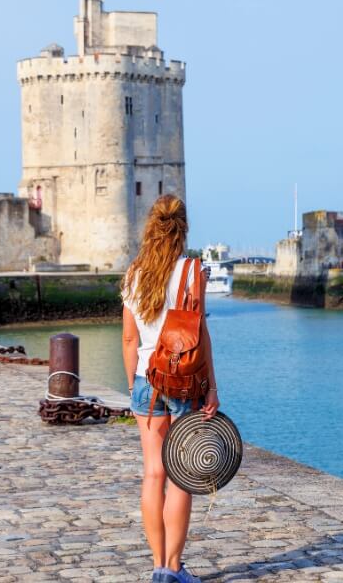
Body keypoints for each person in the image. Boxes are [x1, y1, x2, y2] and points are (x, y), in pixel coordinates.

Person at [121, 195, 219, 583]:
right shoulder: (192, 272)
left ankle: (157, 565)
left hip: (147, 382)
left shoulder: (133, 274)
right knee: (181, 476)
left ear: (151, 228)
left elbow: (130, 340)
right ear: (182, 230)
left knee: (153, 475)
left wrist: (133, 387)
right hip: (184, 383)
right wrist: (211, 387)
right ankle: (173, 570)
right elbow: (201, 335)